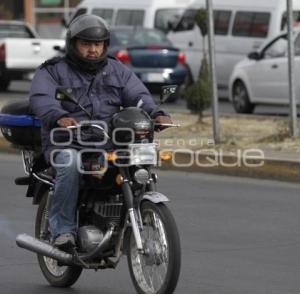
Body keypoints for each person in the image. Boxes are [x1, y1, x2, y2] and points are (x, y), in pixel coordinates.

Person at [29, 14, 172, 250]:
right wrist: (58, 116)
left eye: (98, 44)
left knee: (138, 162)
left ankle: (128, 218)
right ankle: (62, 231)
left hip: (107, 142)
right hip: (67, 142)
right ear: (73, 44)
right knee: (70, 163)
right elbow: (41, 98)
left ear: (105, 45)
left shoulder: (117, 70)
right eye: (86, 44)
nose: (93, 50)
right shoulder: (53, 71)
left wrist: (156, 113)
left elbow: (138, 96)